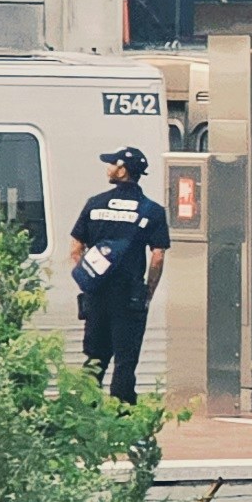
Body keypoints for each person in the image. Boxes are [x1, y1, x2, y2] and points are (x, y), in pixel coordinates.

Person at [64, 148, 172, 403]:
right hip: (129, 296)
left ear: (122, 170)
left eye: (112, 163)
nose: (108, 168)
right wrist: (147, 292)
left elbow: (75, 248)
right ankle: (122, 413)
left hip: (97, 295)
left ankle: (86, 410)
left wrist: (89, 278)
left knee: (95, 359)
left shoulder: (95, 203)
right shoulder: (152, 210)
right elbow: (157, 256)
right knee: (125, 361)